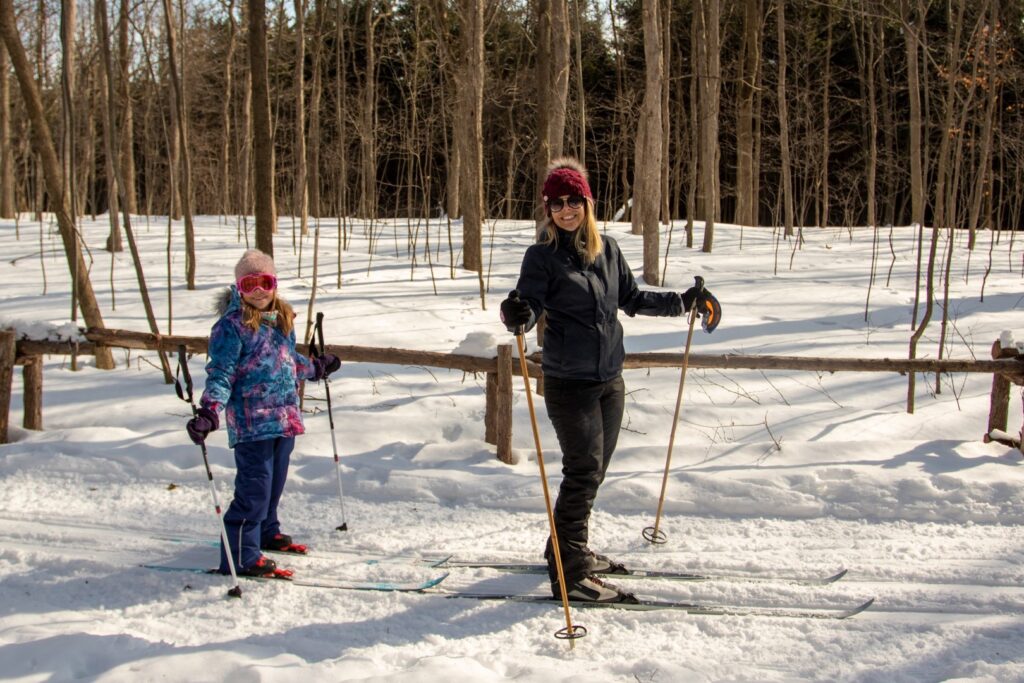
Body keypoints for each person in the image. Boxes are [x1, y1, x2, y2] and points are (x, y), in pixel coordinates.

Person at [500, 158, 719, 603]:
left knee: (594, 472)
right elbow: (529, 303)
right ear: (548, 209)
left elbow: (632, 298)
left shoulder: (608, 250)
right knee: (581, 472)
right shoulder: (540, 256)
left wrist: (683, 301)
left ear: (587, 203)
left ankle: (563, 549)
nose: (566, 210)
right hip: (568, 383)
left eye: (573, 200)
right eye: (557, 203)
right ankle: (571, 574)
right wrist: (517, 313)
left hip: (608, 380)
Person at [185, 249, 339, 578]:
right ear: (239, 287)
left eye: (265, 281)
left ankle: (266, 531)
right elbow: (221, 373)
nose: (259, 290)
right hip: (252, 423)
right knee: (254, 489)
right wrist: (209, 413)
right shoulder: (231, 327)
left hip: (283, 419)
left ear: (274, 284)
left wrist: (315, 368)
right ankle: (240, 554)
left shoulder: (281, 318)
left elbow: (286, 362)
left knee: (273, 485)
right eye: (250, 283)